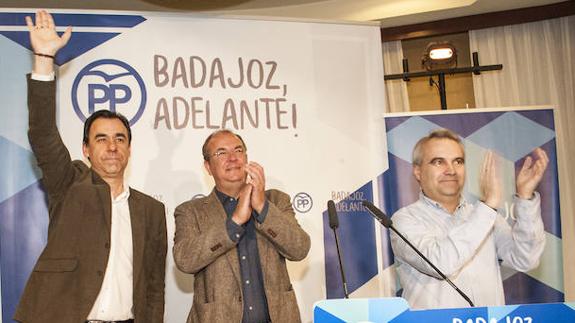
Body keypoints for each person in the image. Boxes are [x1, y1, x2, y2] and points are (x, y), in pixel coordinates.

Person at [14, 11, 167, 323]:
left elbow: (154, 286)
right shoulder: (68, 184)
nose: (112, 146)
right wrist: (44, 59)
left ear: (129, 148)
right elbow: (43, 134)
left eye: (119, 139)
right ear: (85, 149)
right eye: (101, 139)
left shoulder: (152, 210)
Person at [390, 128, 548, 309]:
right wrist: (488, 206)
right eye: (438, 162)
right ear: (418, 172)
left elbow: (525, 258)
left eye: (458, 161)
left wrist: (525, 198)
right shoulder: (404, 220)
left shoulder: (483, 216)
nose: (451, 170)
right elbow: (439, 264)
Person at [173, 129, 310, 323]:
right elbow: (185, 260)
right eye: (221, 153)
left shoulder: (276, 201)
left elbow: (300, 248)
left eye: (238, 151)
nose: (232, 158)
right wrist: (235, 222)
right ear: (208, 167)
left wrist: (262, 207)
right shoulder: (190, 211)